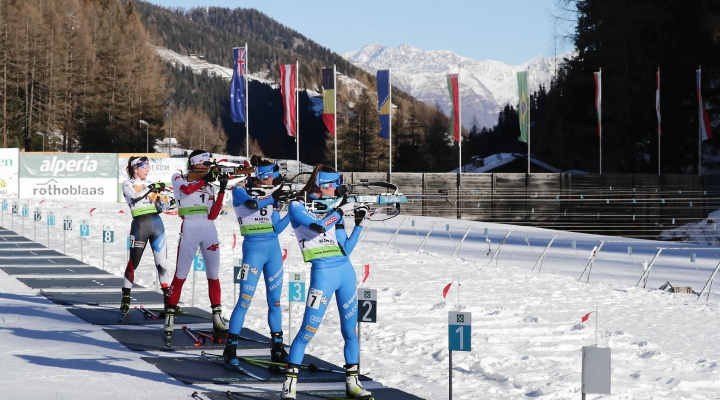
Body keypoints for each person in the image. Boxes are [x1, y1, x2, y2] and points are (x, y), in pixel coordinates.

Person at [281, 165, 372, 400]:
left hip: (345, 273)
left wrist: (359, 225)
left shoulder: (333, 207)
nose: (338, 189)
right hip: (322, 274)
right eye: (335, 185)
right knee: (307, 331)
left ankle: (352, 382)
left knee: (350, 332)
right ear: (323, 185)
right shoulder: (297, 206)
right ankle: (289, 385)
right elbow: (319, 226)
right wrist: (340, 211)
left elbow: (345, 250)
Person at [223, 155, 291, 365]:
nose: (275, 182)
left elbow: (276, 229)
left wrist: (292, 211)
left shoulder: (272, 194)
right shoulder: (240, 189)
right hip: (252, 251)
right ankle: (231, 347)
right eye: (274, 178)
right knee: (244, 300)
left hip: (273, 252)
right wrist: (274, 197)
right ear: (265, 176)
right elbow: (252, 204)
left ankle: (277, 346)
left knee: (276, 302)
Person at [164, 150, 229, 335]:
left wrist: (222, 190)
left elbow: (213, 214)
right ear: (195, 164)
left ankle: (217, 317)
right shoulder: (178, 177)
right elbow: (186, 189)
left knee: (214, 274)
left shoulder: (208, 185)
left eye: (209, 165)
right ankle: (169, 316)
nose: (208, 168)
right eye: (205, 164)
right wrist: (203, 179)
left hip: (209, 229)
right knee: (181, 274)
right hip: (190, 227)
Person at [120, 156, 171, 315]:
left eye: (148, 166)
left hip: (157, 224)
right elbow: (135, 196)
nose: (148, 170)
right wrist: (151, 187)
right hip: (140, 225)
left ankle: (168, 301)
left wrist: (167, 197)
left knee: (162, 264)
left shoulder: (149, 184)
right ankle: (126, 297)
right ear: (136, 169)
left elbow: (165, 205)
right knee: (133, 264)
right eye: (145, 166)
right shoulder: (128, 183)